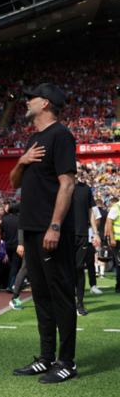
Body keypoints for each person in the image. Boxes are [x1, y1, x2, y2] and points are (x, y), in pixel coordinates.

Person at [9, 83, 77, 383]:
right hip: (31, 229)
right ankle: (47, 358)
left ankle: (67, 362)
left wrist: (55, 226)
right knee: (40, 296)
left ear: (45, 103)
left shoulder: (61, 134)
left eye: (30, 98)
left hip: (51, 231)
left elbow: (67, 183)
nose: (26, 103)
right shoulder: (33, 140)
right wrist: (21, 161)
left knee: (60, 295)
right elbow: (14, 183)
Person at [73, 159, 102, 315]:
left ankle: (80, 304)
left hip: (82, 234)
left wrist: (96, 232)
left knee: (79, 269)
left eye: (79, 168)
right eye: (75, 167)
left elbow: (91, 212)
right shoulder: (61, 186)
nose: (78, 170)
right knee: (65, 270)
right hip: (64, 235)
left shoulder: (86, 189)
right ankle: (65, 302)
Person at [1, 201, 21, 292]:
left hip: (8, 245)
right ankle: (10, 285)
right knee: (16, 266)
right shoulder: (21, 218)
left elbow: (2, 232)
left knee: (15, 265)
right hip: (18, 245)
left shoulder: (5, 218)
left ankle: (15, 283)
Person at [104, 197, 120, 293]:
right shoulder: (116, 207)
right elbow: (109, 221)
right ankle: (119, 286)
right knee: (119, 264)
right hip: (118, 241)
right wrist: (112, 238)